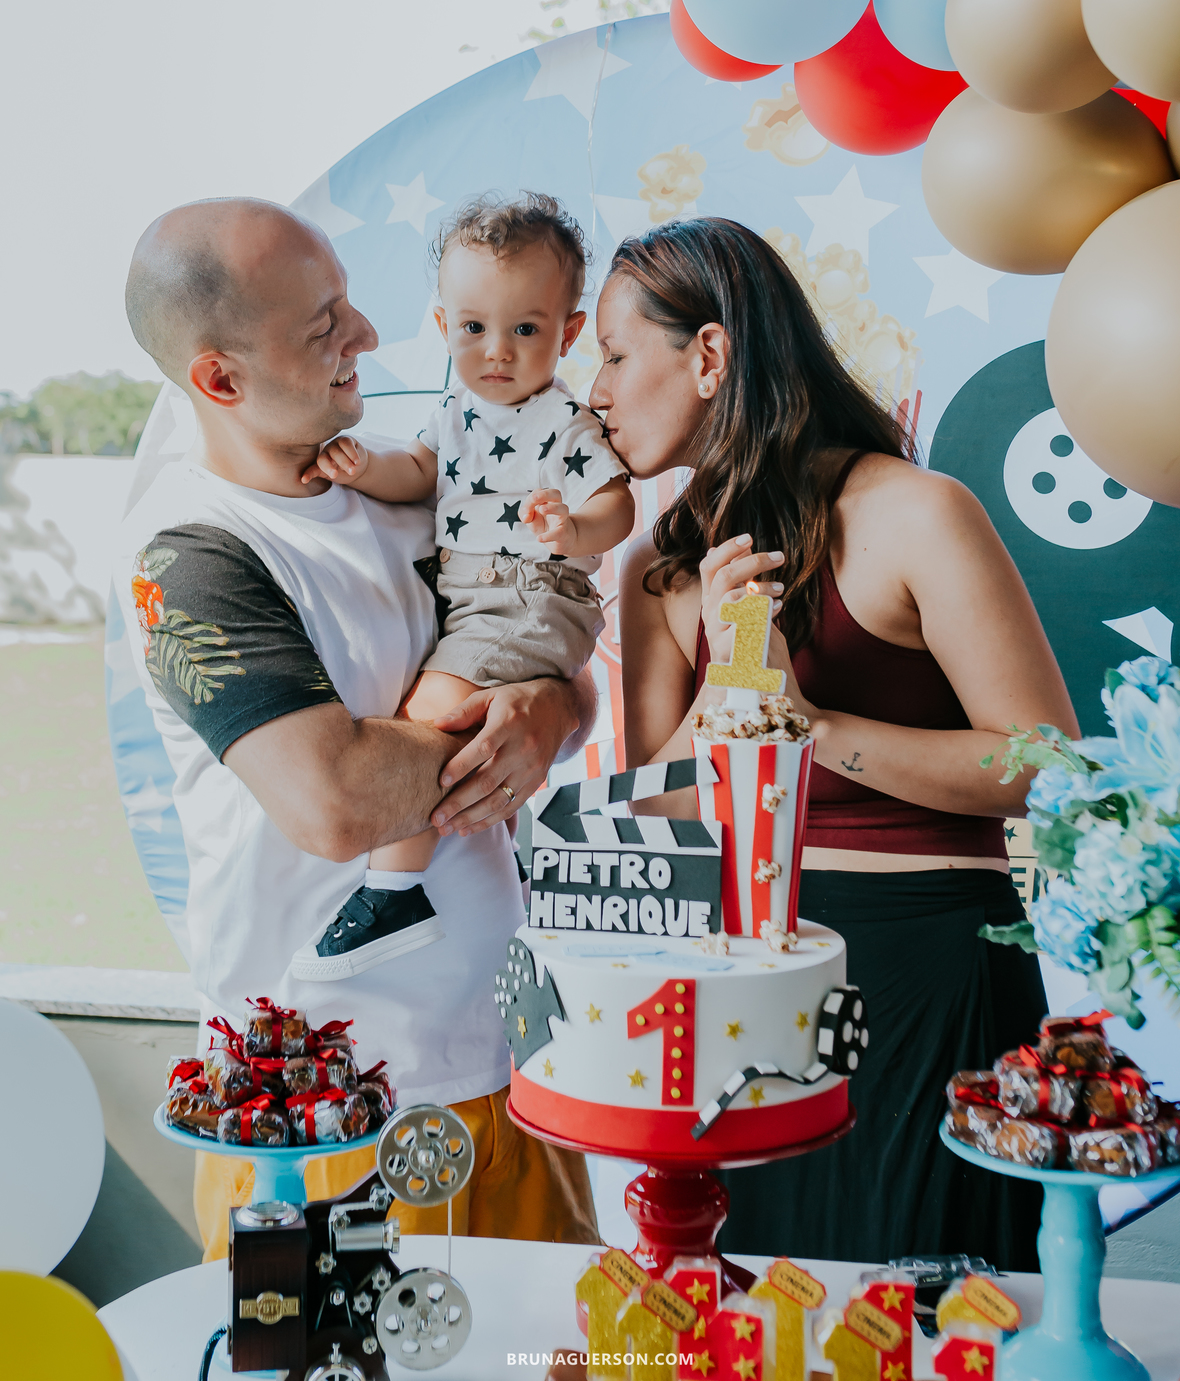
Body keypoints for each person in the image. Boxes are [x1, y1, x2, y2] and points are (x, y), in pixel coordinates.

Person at [114, 197, 599, 1260]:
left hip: (510, 1060)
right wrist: (514, 728)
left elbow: (550, 652)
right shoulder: (190, 555)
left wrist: (557, 707)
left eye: (350, 304)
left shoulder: (402, 481)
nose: (368, 336)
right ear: (219, 379)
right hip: (324, 1112)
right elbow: (333, 801)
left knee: (557, 1342)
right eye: (322, 324)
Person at [590, 216, 1078, 1270]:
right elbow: (661, 809)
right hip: (745, 984)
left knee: (939, 1306)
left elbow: (1045, 764)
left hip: (936, 967)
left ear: (709, 355)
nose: (597, 392)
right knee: (761, 1300)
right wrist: (730, 692)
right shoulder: (656, 569)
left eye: (616, 355)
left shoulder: (917, 514)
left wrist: (805, 724)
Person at [291, 192, 633, 979]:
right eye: (474, 328)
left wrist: (574, 528)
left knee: (433, 717)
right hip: (473, 600)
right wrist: (363, 467)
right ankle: (490, 863)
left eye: (526, 330)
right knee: (467, 736)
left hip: (529, 594)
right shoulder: (454, 412)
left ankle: (393, 890)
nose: (497, 351)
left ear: (567, 333)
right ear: (445, 326)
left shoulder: (562, 422)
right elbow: (419, 472)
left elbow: (615, 502)